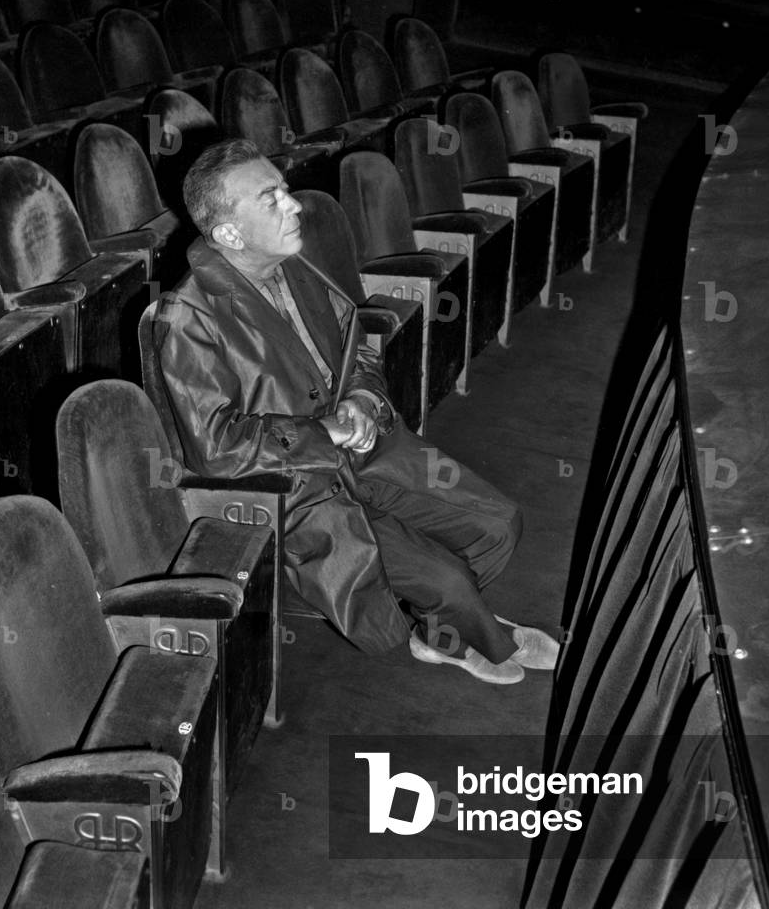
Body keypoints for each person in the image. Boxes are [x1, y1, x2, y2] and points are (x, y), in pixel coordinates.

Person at [152, 139, 558, 684]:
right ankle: (468, 634)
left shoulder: (294, 264)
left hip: (365, 450)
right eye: (271, 199)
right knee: (448, 581)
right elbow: (216, 446)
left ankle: (444, 628)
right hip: (298, 486)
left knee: (499, 525)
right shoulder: (188, 315)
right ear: (229, 234)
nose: (294, 205)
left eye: (285, 189)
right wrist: (324, 431)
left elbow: (357, 347)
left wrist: (362, 399)